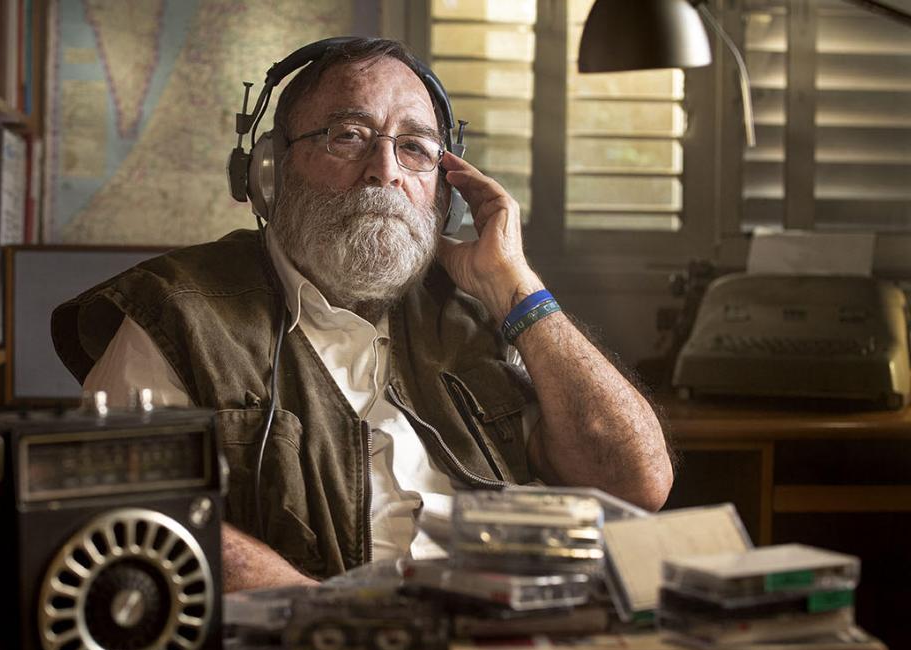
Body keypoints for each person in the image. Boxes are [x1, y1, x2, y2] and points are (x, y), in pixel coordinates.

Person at [53, 37, 673, 593]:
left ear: (445, 190)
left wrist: (519, 292)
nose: (385, 170)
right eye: (347, 136)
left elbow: (634, 485)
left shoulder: (483, 314)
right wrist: (338, 625)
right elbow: (129, 510)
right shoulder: (176, 313)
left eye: (416, 148)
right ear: (270, 170)